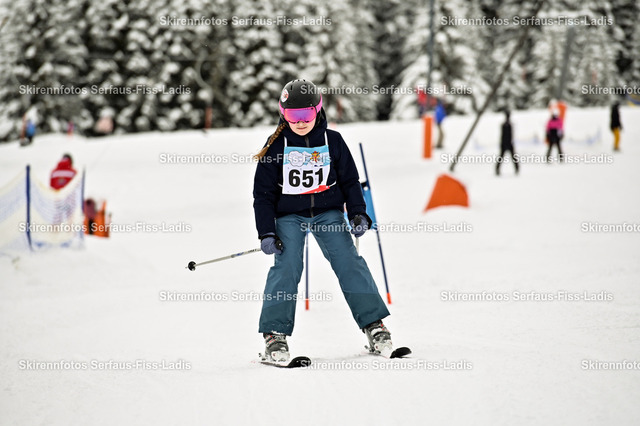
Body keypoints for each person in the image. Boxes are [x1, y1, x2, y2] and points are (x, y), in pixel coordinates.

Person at [253, 79, 391, 363]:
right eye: (292, 115)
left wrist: (358, 213)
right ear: (282, 113)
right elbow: (263, 195)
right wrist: (266, 232)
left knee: (349, 261)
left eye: (306, 114)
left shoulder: (333, 141)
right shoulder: (276, 145)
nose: (300, 122)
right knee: (287, 266)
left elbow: (350, 181)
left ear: (318, 110)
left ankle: (374, 325)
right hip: (289, 215)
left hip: (328, 212)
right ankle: (274, 336)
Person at [496, 110, 519, 176]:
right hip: (506, 143)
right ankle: (516, 169)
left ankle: (516, 169)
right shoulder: (507, 125)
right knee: (504, 157)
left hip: (507, 143)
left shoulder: (506, 125)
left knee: (508, 157)